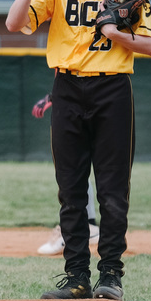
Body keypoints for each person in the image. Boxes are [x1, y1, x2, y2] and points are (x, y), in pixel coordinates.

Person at [6, 0, 151, 301]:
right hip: (67, 88)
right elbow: (13, 24)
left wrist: (116, 34)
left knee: (112, 189)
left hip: (112, 88)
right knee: (70, 188)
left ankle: (110, 275)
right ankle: (76, 276)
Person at [31, 93, 99, 255]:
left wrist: (55, 95)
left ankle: (80, 227)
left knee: (73, 165)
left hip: (92, 95)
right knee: (74, 165)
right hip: (81, 93)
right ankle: (88, 226)